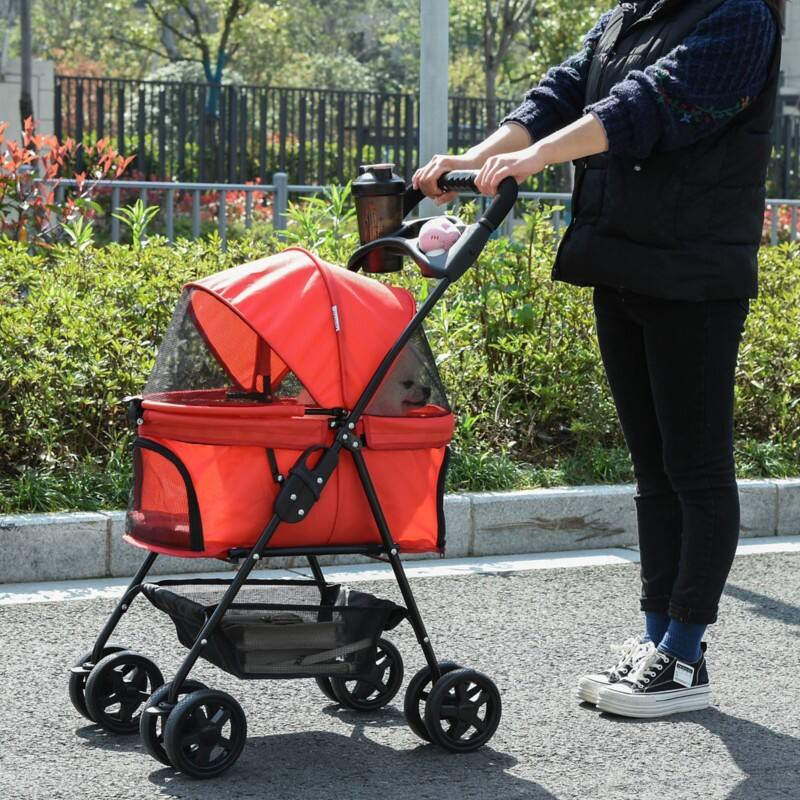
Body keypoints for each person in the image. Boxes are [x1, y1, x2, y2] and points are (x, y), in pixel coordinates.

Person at [413, 0, 783, 719]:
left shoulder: (740, 18)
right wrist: (480, 157)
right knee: (653, 473)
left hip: (695, 275)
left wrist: (535, 157)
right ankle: (657, 643)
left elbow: (648, 104)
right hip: (620, 261)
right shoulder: (628, 17)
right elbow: (561, 92)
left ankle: (684, 653)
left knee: (696, 469)